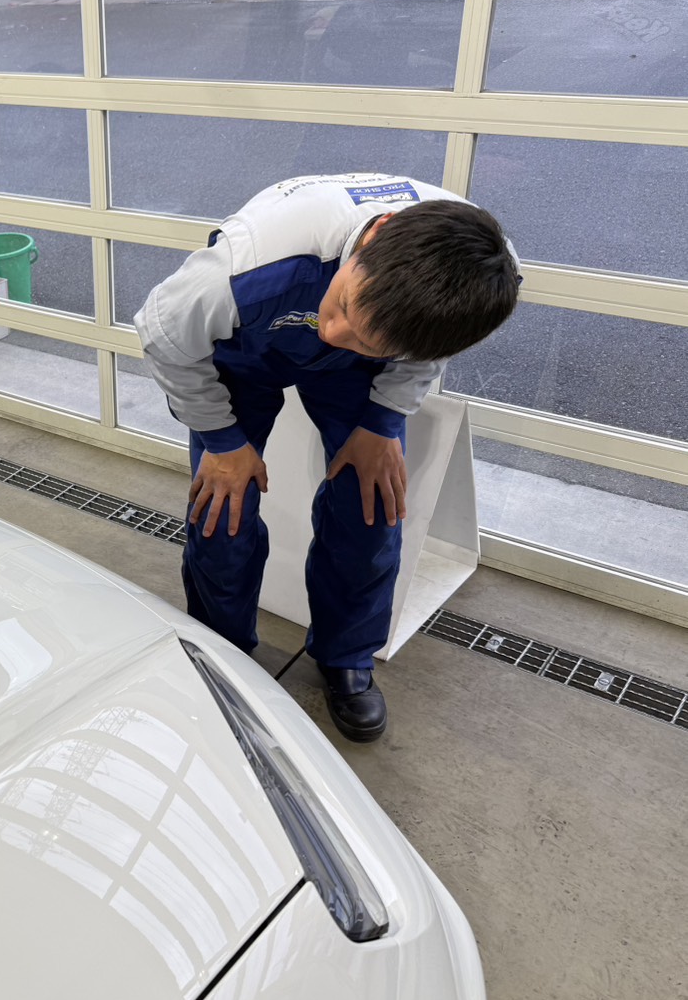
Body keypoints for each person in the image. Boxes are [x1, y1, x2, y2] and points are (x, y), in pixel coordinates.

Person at [134, 173, 520, 742]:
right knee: (223, 508)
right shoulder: (249, 263)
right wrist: (221, 440)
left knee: (372, 506)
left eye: (364, 336)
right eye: (342, 307)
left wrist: (382, 419)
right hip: (248, 347)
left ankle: (347, 656)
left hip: (359, 376)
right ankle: (223, 650)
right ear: (373, 238)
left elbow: (426, 354)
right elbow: (165, 336)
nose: (334, 334)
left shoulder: (483, 279)